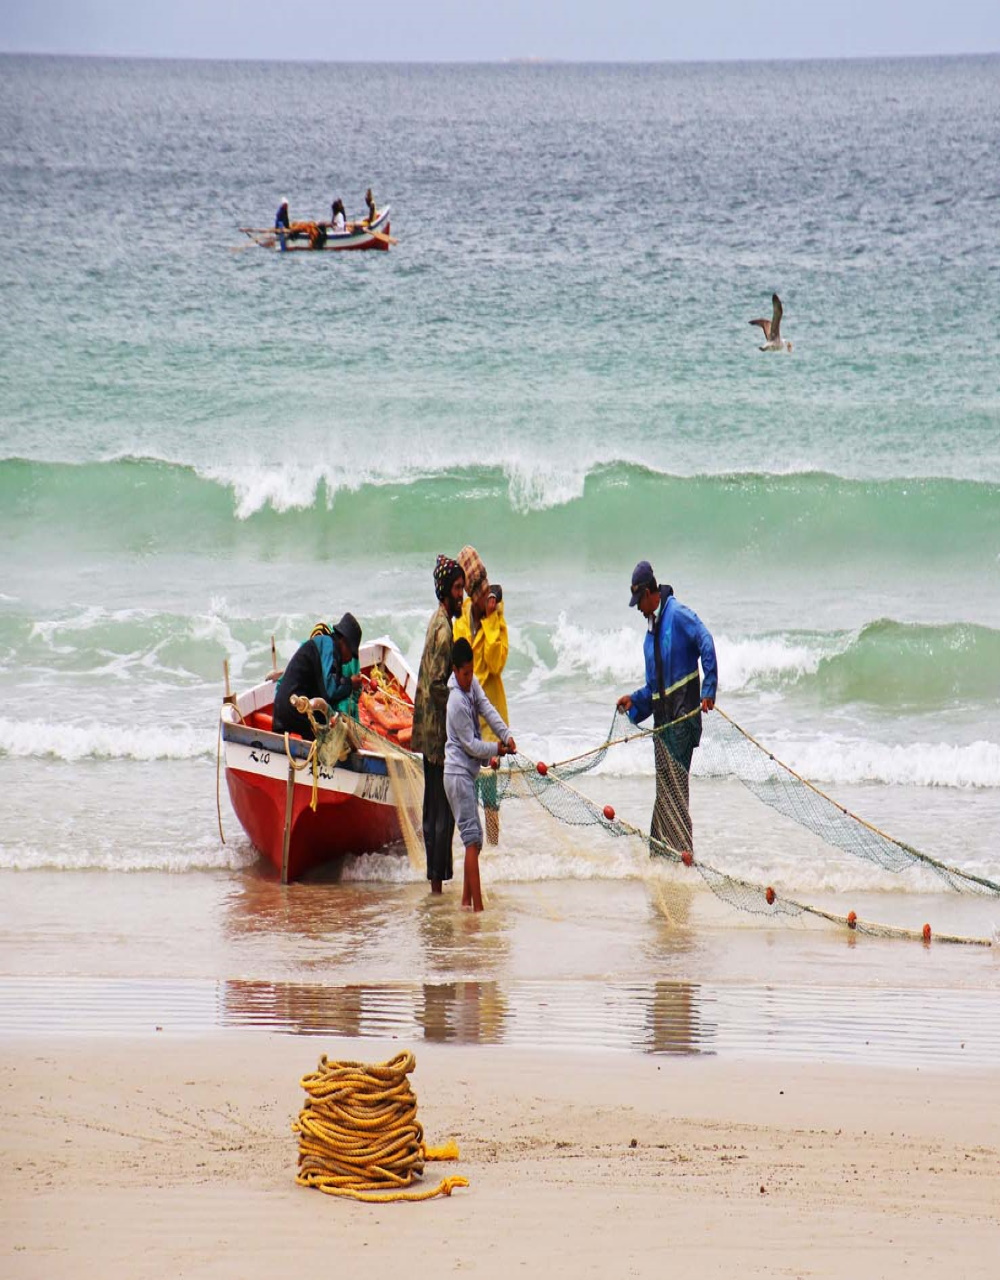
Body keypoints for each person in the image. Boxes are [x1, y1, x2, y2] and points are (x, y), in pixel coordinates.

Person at [616, 560, 718, 858]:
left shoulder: (677, 615)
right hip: (663, 725)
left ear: (650, 593)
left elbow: (706, 641)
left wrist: (708, 689)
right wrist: (634, 702)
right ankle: (662, 859)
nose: (638, 609)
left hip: (683, 719)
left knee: (675, 791)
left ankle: (684, 858)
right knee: (665, 794)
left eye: (640, 602)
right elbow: (654, 690)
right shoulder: (651, 632)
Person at [444, 636, 516, 912]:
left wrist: (506, 735)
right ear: (454, 670)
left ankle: (466, 903)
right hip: (456, 776)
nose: (469, 677)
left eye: (471, 671)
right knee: (472, 840)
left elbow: (487, 708)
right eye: (464, 673)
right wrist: (496, 749)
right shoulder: (455, 703)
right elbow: (472, 746)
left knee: (473, 842)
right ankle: (478, 909)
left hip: (465, 775)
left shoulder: (471, 685)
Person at [411, 555, 465, 894]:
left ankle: (434, 884)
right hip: (438, 734)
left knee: (433, 806)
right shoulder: (445, 630)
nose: (462, 594)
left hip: (428, 731)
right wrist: (459, 715)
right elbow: (435, 684)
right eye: (458, 589)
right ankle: (436, 886)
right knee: (440, 811)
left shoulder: (438, 620)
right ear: (445, 591)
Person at [453, 547, 509, 845]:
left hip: (489, 724)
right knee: (466, 796)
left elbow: (496, 662)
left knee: (489, 798)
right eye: (478, 592)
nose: (483, 596)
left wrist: (489, 622)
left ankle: (495, 851)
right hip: (466, 724)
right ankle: (473, 852)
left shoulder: (496, 616)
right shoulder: (460, 617)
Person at [272, 612, 364, 740]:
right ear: (343, 642)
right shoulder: (327, 646)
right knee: (330, 742)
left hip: (285, 710)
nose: (350, 660)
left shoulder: (326, 646)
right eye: (351, 653)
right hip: (296, 709)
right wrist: (350, 683)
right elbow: (330, 690)